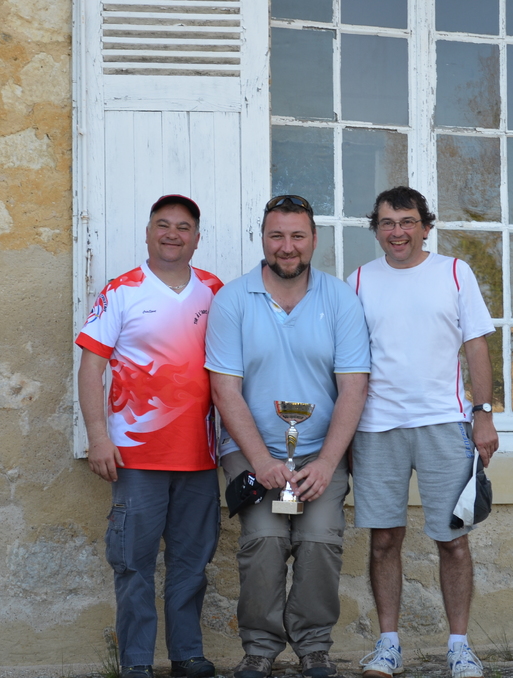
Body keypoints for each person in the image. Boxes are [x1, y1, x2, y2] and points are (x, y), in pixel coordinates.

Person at [205, 195, 370, 678]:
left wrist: (326, 463)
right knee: (264, 540)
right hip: (251, 451)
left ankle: (314, 647)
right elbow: (224, 389)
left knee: (320, 541)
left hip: (320, 452)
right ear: (262, 239)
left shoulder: (340, 299)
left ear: (314, 239)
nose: (287, 246)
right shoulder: (233, 299)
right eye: (276, 235)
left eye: (298, 235)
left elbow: (354, 387)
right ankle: (259, 648)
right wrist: (260, 461)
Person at [347, 187, 499, 678]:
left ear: (426, 227)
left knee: (453, 539)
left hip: (443, 423)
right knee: (384, 540)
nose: (397, 232)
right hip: (377, 428)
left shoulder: (454, 272)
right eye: (387, 223)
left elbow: (476, 346)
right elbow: (348, 360)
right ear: (376, 229)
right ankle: (388, 645)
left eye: (407, 222)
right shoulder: (358, 281)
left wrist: (483, 414)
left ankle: (459, 647)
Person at [76, 195, 222, 678]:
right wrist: (98, 436)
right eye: (163, 224)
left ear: (196, 238)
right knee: (133, 563)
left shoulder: (215, 291)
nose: (172, 234)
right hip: (136, 456)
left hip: (200, 456)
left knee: (191, 563)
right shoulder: (121, 291)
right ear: (147, 233)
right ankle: (136, 662)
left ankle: (188, 655)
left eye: (183, 227)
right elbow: (91, 367)